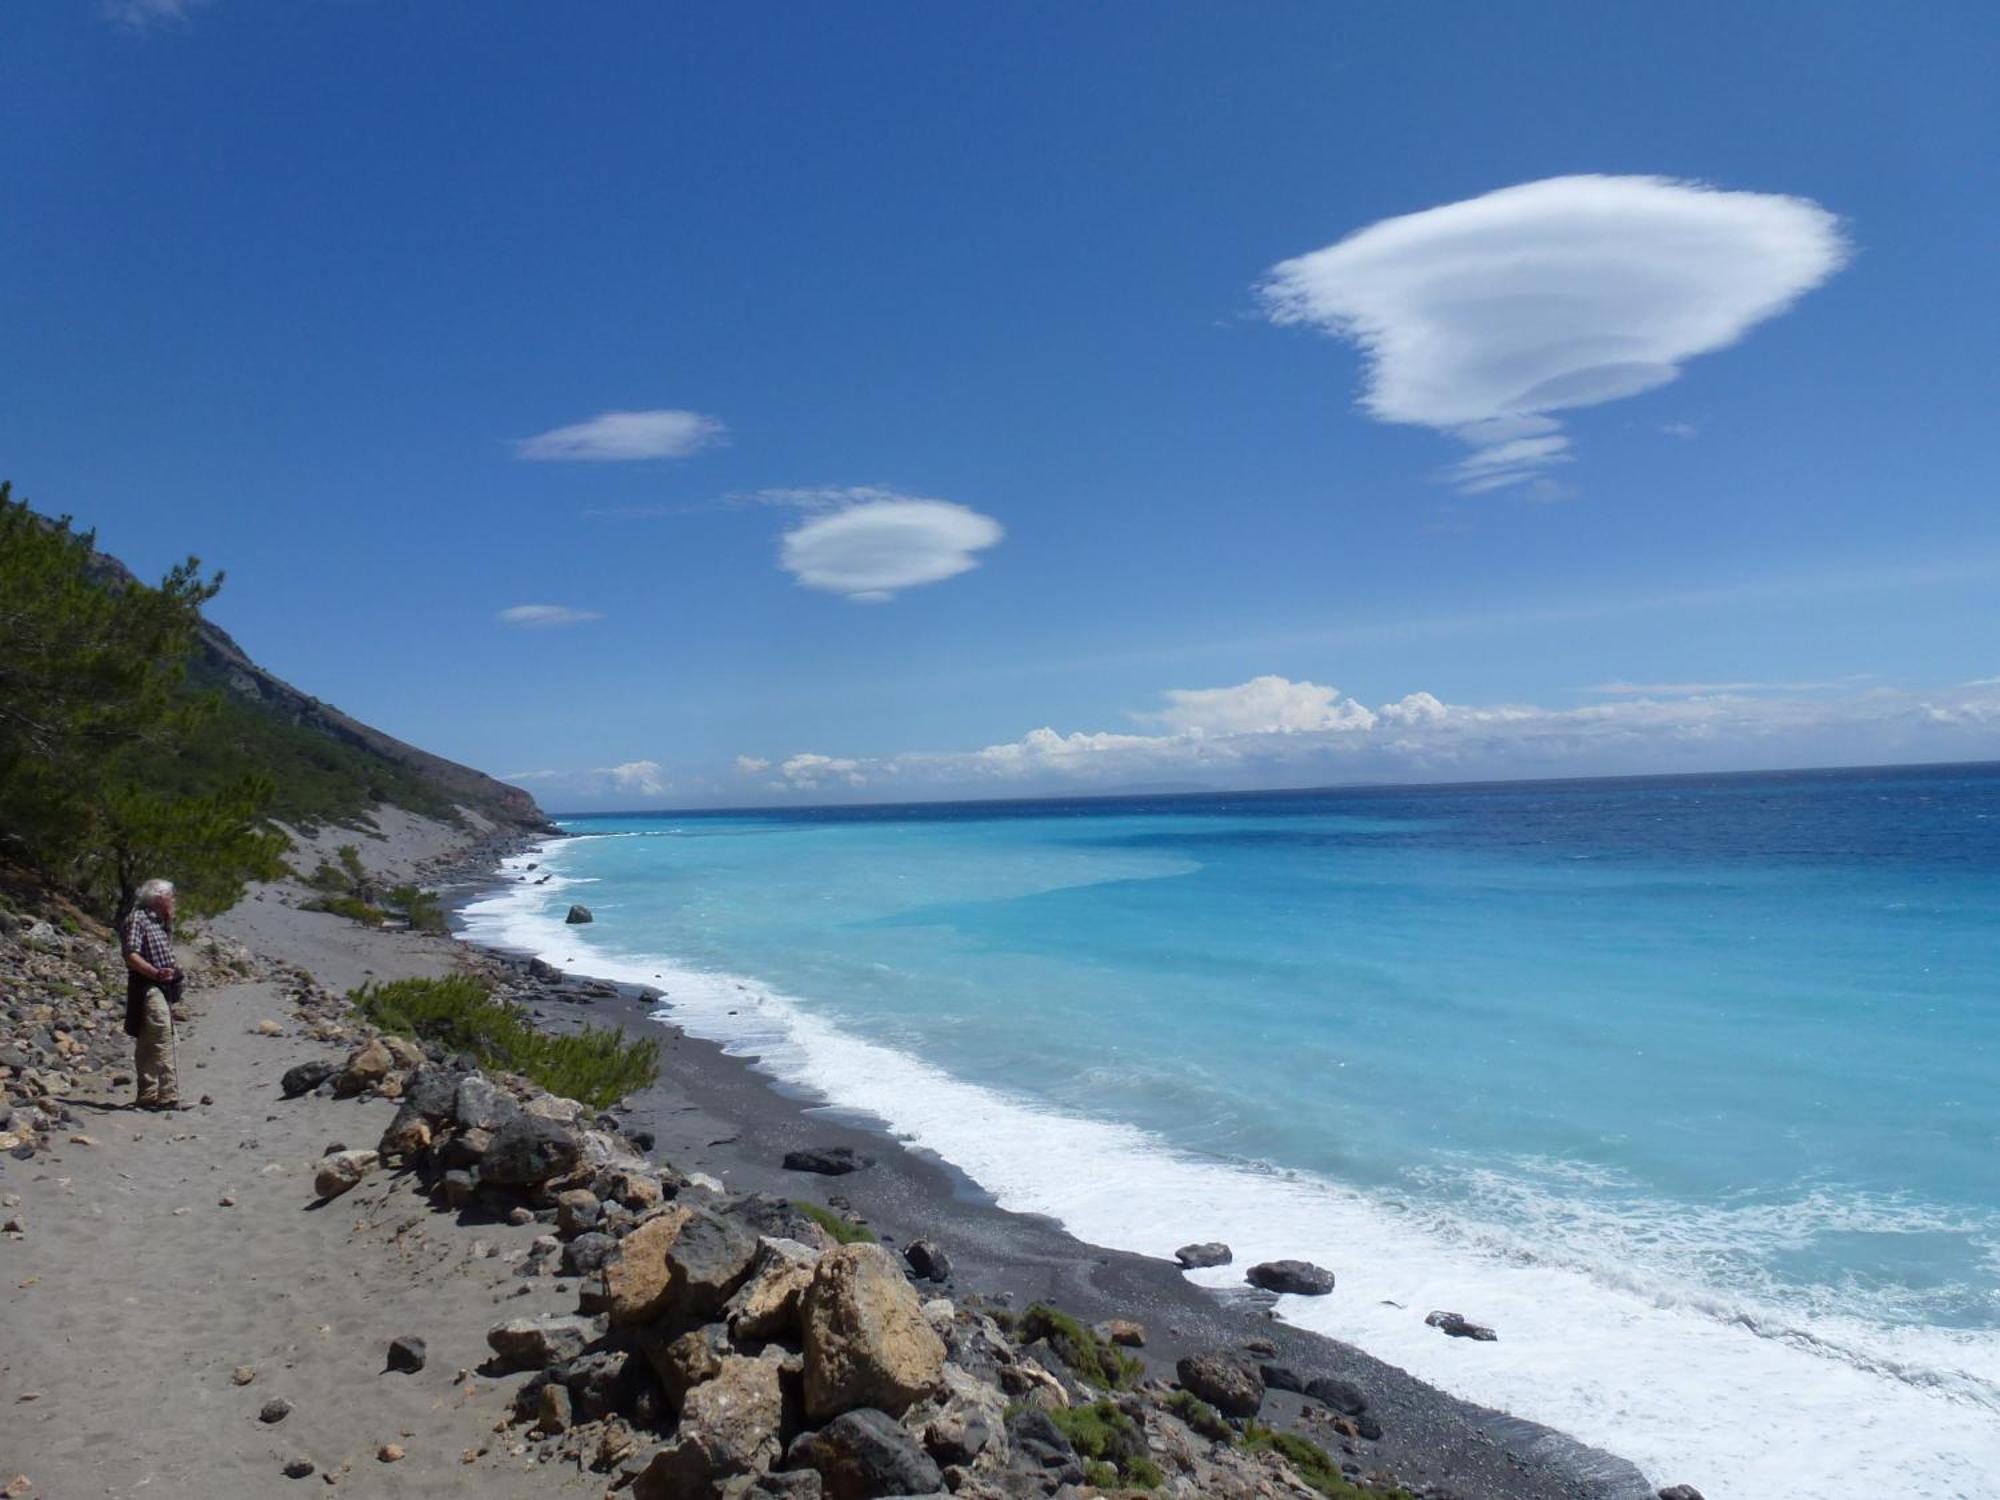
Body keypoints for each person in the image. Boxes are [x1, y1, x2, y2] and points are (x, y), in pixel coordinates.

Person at [121, 878, 183, 1110]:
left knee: (148, 1039)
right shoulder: (138, 919)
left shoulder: (160, 922)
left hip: (161, 984)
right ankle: (168, 1095)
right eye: (171, 895)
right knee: (163, 1033)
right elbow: (131, 954)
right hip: (147, 984)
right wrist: (155, 973)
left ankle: (146, 1094)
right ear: (159, 897)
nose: (174, 899)